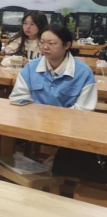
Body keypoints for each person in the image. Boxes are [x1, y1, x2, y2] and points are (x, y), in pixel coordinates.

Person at [9, 25, 100, 181]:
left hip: (70, 129)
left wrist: (54, 121)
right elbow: (18, 98)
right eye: (42, 42)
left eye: (51, 43)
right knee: (1, 134)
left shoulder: (83, 73)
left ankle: (63, 171)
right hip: (34, 124)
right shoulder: (31, 68)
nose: (45, 47)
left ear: (67, 45)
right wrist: (39, 118)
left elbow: (84, 111)